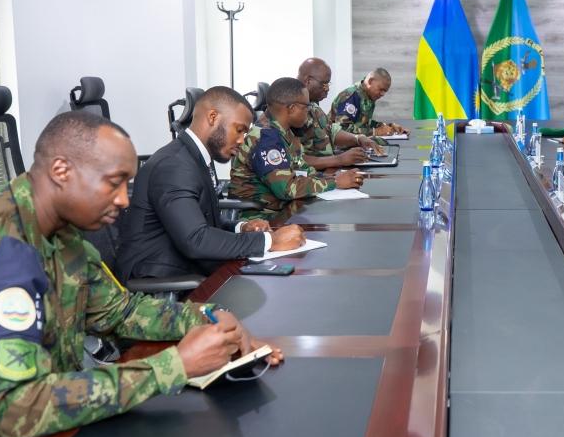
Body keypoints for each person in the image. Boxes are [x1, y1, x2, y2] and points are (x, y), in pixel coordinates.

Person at [0, 111, 283, 437]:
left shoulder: (60, 233)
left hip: (53, 428)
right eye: (114, 183)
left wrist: (208, 316)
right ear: (61, 171)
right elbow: (16, 409)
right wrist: (175, 365)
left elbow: (119, 311)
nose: (124, 200)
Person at [119, 86, 306, 280]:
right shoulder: (173, 165)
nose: (242, 141)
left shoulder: (192, 157)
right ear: (213, 117)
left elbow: (200, 219)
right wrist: (272, 241)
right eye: (239, 130)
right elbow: (195, 239)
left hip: (184, 266)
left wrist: (241, 227)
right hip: (160, 280)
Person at [231, 77, 364, 220]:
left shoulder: (285, 131)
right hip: (263, 218)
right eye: (306, 107)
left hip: (286, 208)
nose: (308, 112)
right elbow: (287, 189)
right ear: (292, 108)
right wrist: (335, 182)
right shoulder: (266, 138)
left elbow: (304, 170)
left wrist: (335, 178)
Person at [296, 57, 387, 171]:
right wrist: (339, 159)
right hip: (313, 175)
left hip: (328, 168)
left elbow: (331, 130)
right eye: (324, 84)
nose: (327, 89)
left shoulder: (312, 105)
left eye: (328, 84)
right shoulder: (293, 110)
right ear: (308, 80)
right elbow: (297, 160)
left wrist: (358, 139)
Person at [329, 68, 408, 136]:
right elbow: (342, 130)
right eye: (381, 89)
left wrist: (389, 127)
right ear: (370, 81)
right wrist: (375, 132)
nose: (382, 94)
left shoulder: (368, 97)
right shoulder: (351, 96)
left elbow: (364, 124)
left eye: (385, 91)